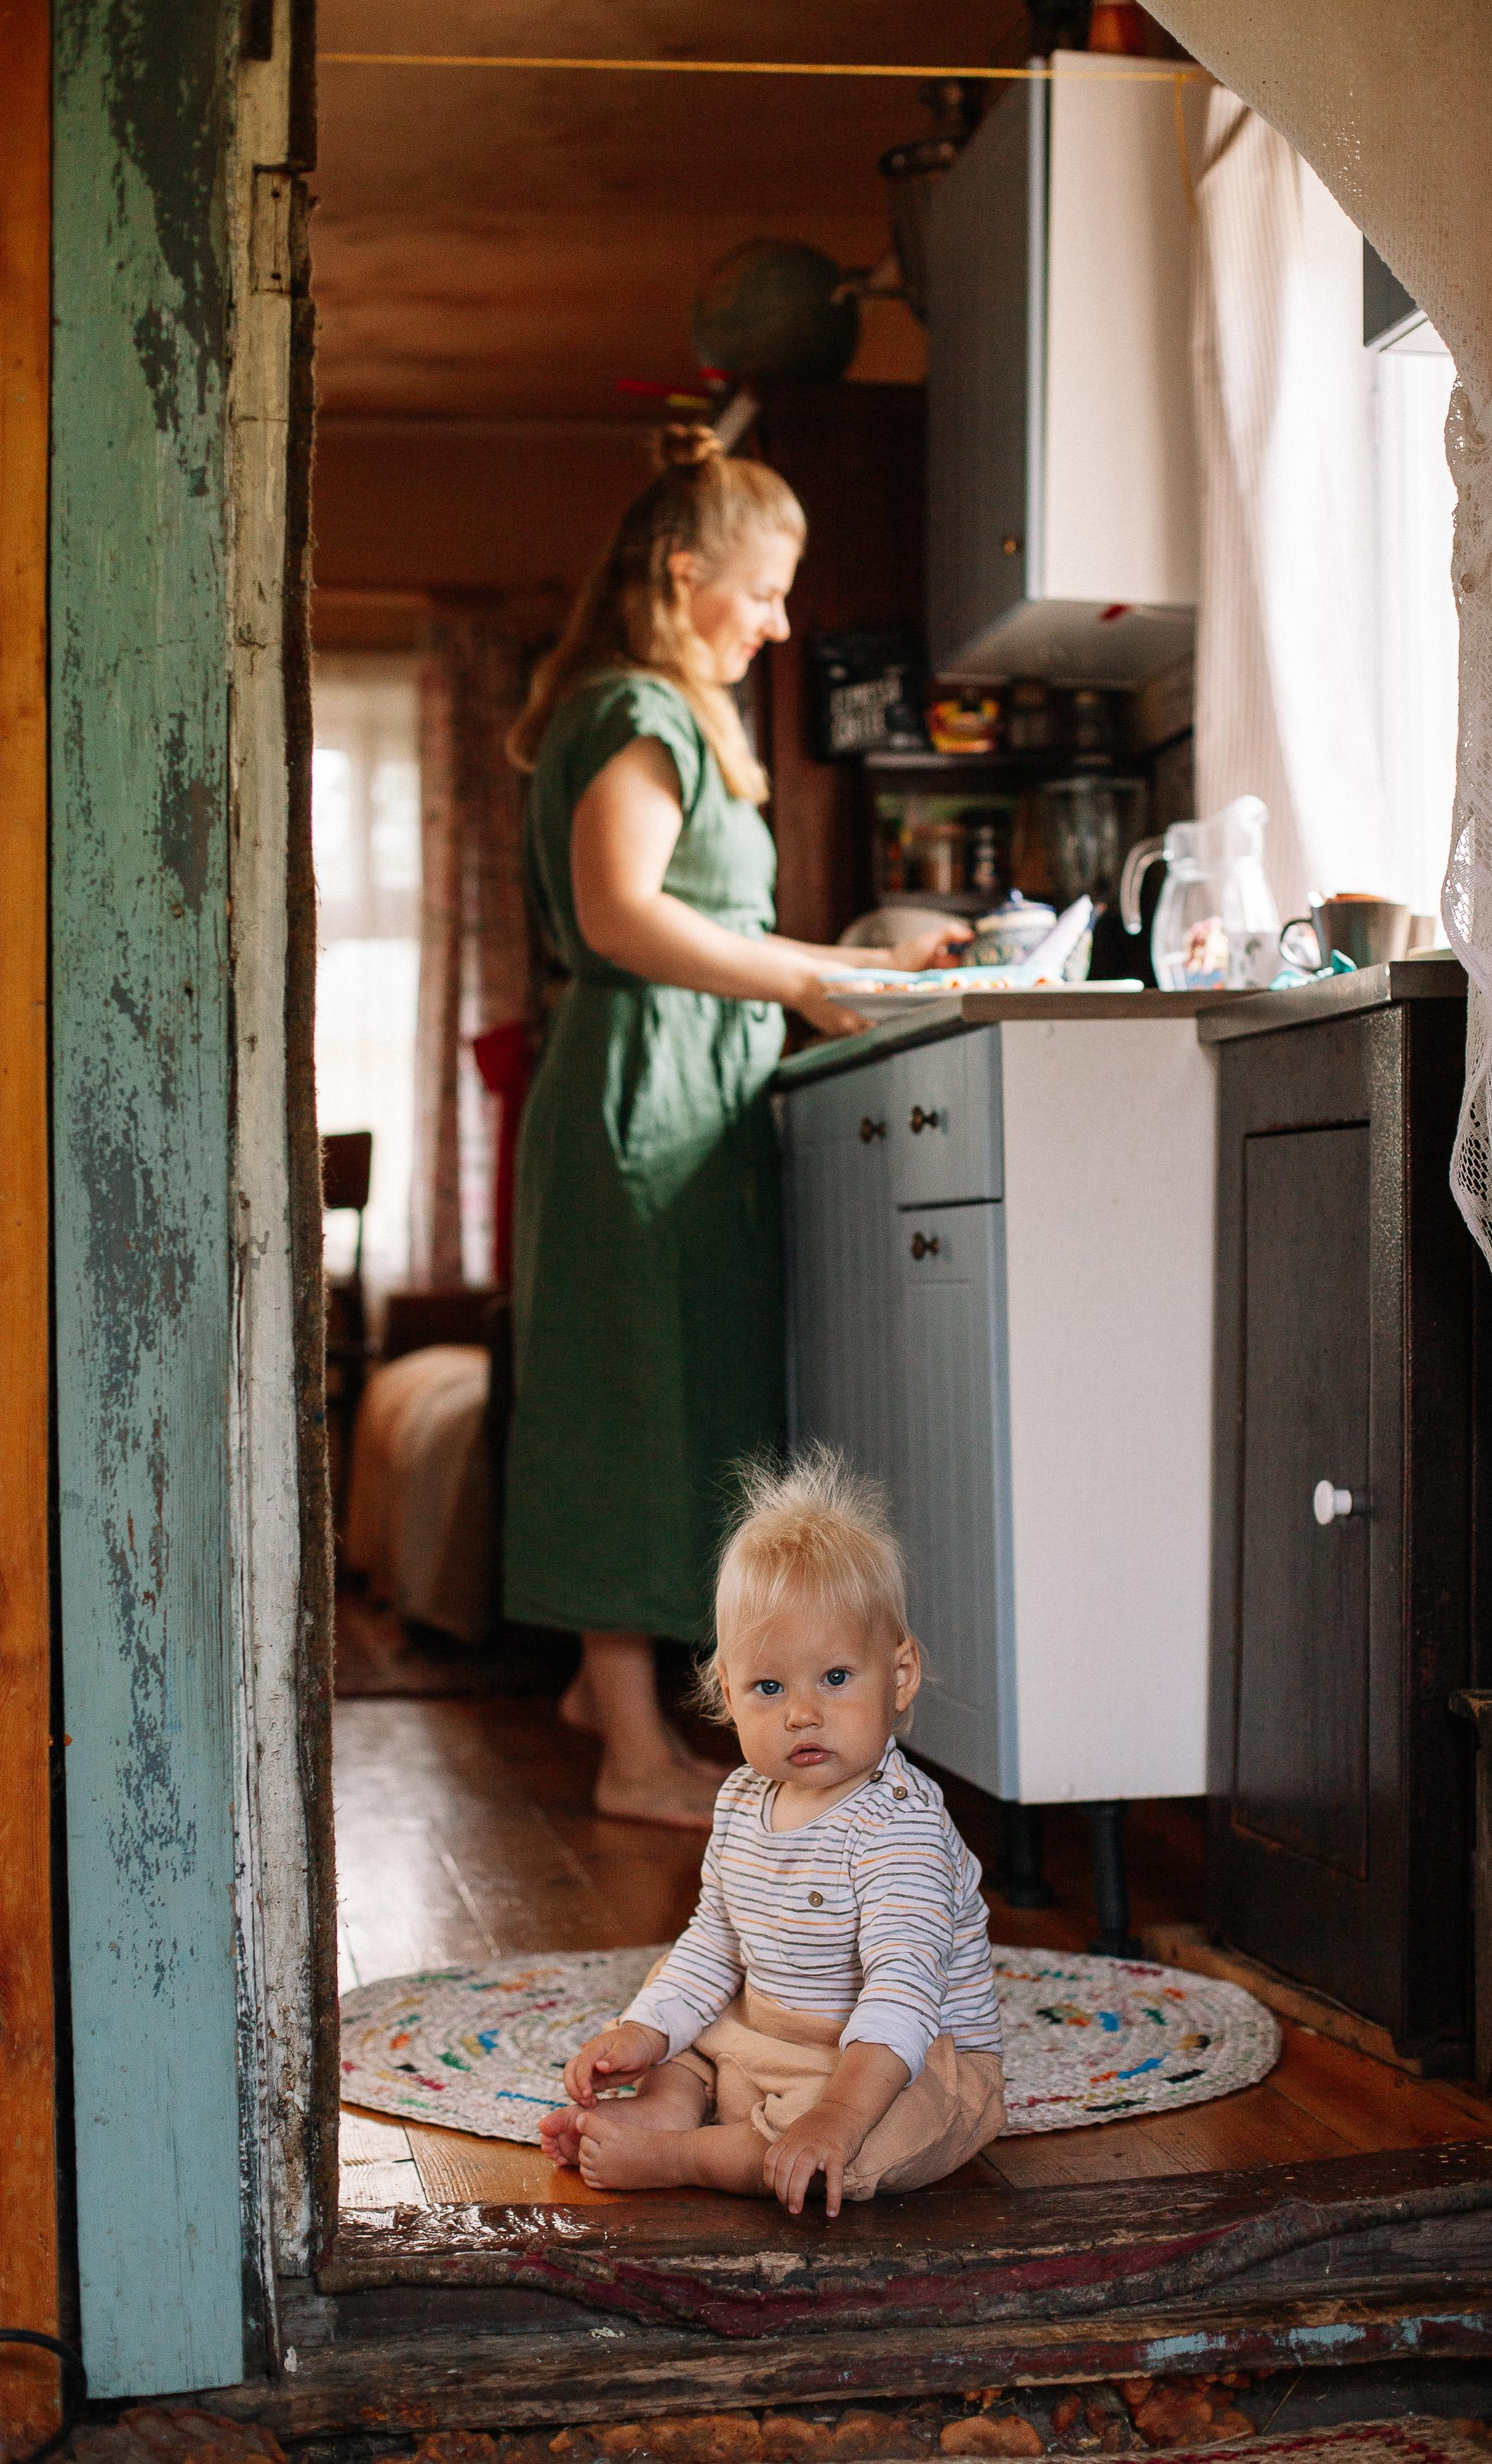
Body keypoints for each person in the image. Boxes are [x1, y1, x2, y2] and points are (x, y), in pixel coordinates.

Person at [502, 425, 965, 1831]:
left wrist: (863, 970)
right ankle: (631, 1750)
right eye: (760, 592)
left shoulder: (673, 712)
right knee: (627, 1403)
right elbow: (621, 916)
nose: (776, 624)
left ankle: (611, 1691)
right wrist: (820, 978)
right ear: (683, 570)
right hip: (639, 1087)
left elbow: (720, 931)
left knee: (684, 1394)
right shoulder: (635, 706)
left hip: (685, 1078)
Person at [540, 1451, 1006, 2213]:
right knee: (683, 1990)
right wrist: (644, 2032)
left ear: (900, 1674)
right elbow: (715, 1941)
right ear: (726, 1690)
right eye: (768, 1686)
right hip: (768, 2035)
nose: (801, 1712)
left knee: (863, 2147)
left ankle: (683, 2150)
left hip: (898, 2059)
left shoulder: (901, 1828)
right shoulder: (740, 1800)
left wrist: (835, 2116)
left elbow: (900, 1994)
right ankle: (667, 2099)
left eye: (833, 1677)